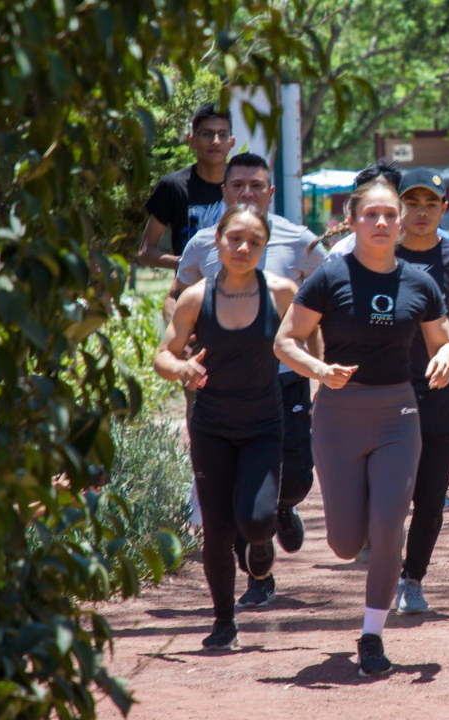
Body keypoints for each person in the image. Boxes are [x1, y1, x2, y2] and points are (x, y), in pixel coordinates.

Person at [275, 170, 449, 676]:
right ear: (352, 222)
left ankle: (372, 636)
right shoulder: (329, 278)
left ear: (400, 226)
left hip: (398, 414)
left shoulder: (419, 283)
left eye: (389, 215)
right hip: (338, 416)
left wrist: (446, 356)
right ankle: (353, 550)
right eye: (371, 214)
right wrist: (317, 369)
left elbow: (443, 340)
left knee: (388, 524)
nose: (381, 222)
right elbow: (285, 341)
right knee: (343, 542)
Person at [168, 152, 326, 609]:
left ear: (270, 192)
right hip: (223, 383)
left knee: (294, 479)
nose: (246, 193)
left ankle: (279, 507)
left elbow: (328, 297)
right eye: (237, 186)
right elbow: (177, 300)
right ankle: (256, 575)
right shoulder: (203, 243)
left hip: (285, 378)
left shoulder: (300, 241)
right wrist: (185, 349)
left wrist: (320, 364)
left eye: (256, 186)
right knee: (234, 491)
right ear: (225, 191)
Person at [154, 205, 298, 650]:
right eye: (235, 238)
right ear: (217, 240)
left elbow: (308, 340)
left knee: (255, 522)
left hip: (263, 424)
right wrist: (182, 369)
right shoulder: (197, 297)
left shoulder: (281, 292)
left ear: (265, 246)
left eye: (254, 241)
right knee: (216, 529)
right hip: (212, 425)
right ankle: (223, 621)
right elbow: (163, 356)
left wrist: (318, 370)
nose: (243, 247)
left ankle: (259, 545)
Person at [389, 168, 449, 614]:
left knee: (429, 498)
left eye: (431, 204)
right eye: (413, 204)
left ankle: (412, 580)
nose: (421, 212)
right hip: (385, 390)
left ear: (444, 209)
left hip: (439, 387)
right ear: (399, 209)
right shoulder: (378, 254)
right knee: (391, 494)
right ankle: (386, 570)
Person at [140, 103, 234, 269]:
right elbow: (146, 252)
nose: (215, 141)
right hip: (187, 291)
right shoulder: (173, 187)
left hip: (239, 292)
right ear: (192, 141)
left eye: (222, 134)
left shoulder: (242, 185)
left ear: (231, 142)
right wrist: (188, 264)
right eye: (207, 134)